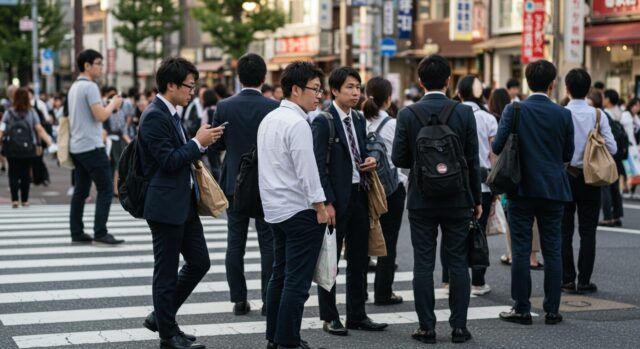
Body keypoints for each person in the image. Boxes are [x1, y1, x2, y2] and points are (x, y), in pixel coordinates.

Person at [392, 55, 481, 344]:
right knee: (457, 262)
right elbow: (472, 158)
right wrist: (475, 199)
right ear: (448, 81)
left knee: (423, 264)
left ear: (420, 82)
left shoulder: (407, 114)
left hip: (421, 198)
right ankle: (459, 328)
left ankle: (427, 328)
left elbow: (399, 158)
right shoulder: (464, 113)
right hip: (458, 197)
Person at [137, 57, 224, 349]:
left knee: (200, 261)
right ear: (171, 85)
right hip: (164, 204)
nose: (192, 91)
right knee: (166, 270)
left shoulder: (171, 113)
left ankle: (162, 318)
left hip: (182, 201)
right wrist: (198, 143)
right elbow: (168, 160)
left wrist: (201, 142)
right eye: (189, 86)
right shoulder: (154, 116)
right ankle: (167, 334)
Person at [495, 60, 574, 326]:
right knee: (553, 249)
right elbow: (568, 154)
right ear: (553, 85)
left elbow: (497, 144)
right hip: (553, 188)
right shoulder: (563, 114)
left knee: (520, 250)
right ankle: (552, 310)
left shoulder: (514, 109)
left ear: (528, 82)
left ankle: (522, 308)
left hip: (521, 187)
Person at [259, 61, 329, 349]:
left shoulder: (269, 119)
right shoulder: (298, 123)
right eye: (315, 89)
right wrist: (321, 206)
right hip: (300, 210)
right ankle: (288, 340)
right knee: (296, 282)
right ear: (296, 89)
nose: (319, 95)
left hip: (274, 210)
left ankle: (275, 337)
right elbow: (307, 171)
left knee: (280, 274)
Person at [312, 66, 385, 336]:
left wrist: (372, 157)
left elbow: (370, 144)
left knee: (359, 258)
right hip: (336, 199)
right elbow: (319, 166)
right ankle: (329, 316)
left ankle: (357, 314)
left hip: (360, 195)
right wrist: (326, 202)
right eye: (350, 88)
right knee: (330, 260)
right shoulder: (323, 120)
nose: (356, 93)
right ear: (334, 91)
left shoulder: (358, 119)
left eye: (358, 87)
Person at [210, 53, 280, 316]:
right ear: (264, 77)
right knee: (268, 242)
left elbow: (215, 144)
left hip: (234, 182)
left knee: (235, 242)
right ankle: (267, 299)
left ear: (239, 78)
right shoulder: (274, 107)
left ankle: (239, 299)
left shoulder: (225, 107)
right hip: (266, 183)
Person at [562, 68, 617, 295]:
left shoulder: (561, 113)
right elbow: (612, 147)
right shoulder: (598, 115)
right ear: (589, 90)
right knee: (588, 232)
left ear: (567, 89)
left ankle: (567, 280)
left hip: (566, 176)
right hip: (591, 178)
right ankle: (584, 280)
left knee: (563, 231)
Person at [441, 75, 497, 296]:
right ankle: (478, 281)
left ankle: (447, 279)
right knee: (478, 233)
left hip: (452, 183)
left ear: (459, 93)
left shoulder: (450, 114)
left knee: (449, 234)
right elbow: (494, 156)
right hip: (481, 184)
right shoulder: (488, 118)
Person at [67, 49, 124, 245]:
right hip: (91, 146)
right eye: (98, 63)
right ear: (87, 66)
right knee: (106, 189)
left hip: (77, 146)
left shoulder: (74, 87)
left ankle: (77, 232)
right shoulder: (90, 87)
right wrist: (114, 104)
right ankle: (100, 232)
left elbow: (91, 113)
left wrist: (107, 105)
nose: (101, 67)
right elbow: (100, 116)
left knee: (81, 190)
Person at [362, 77, 408, 305]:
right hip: (390, 189)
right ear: (389, 99)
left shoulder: (357, 121)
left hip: (363, 187)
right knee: (388, 242)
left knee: (359, 242)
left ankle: (359, 292)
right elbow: (401, 157)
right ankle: (383, 292)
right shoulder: (392, 124)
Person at [0, 87, 54, 208]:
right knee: (25, 174)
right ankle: (25, 200)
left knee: (13, 173)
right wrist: (50, 142)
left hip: (11, 148)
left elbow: (2, 130)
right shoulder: (31, 112)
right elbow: (39, 129)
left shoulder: (9, 113)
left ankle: (14, 200)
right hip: (28, 148)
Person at [588, 90, 626, 228]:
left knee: (605, 186)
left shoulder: (600, 114)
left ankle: (608, 217)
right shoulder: (616, 112)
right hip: (615, 155)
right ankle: (617, 215)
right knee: (614, 185)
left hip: (604, 154)